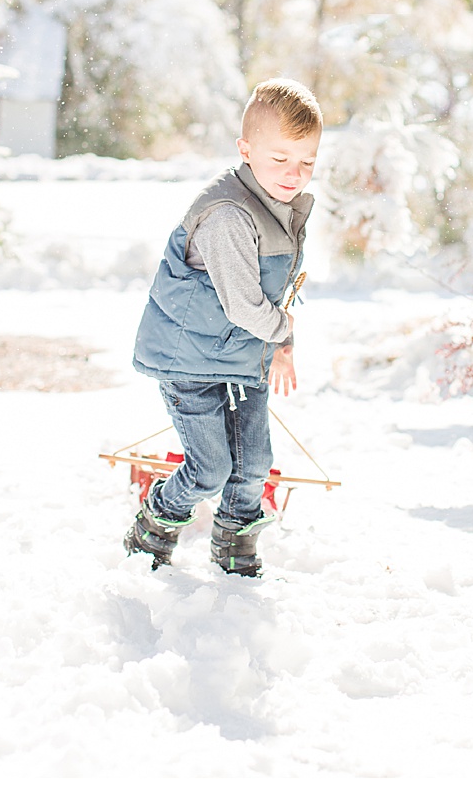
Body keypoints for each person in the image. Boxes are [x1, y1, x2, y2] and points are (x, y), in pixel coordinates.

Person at [122, 79, 321, 577]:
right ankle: (156, 524)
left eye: (307, 162)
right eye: (280, 160)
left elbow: (269, 295)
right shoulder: (230, 215)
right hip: (190, 361)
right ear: (246, 150)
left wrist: (277, 345)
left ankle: (235, 544)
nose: (294, 174)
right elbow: (245, 306)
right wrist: (285, 333)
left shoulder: (276, 205)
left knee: (253, 465)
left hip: (240, 355)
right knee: (210, 469)